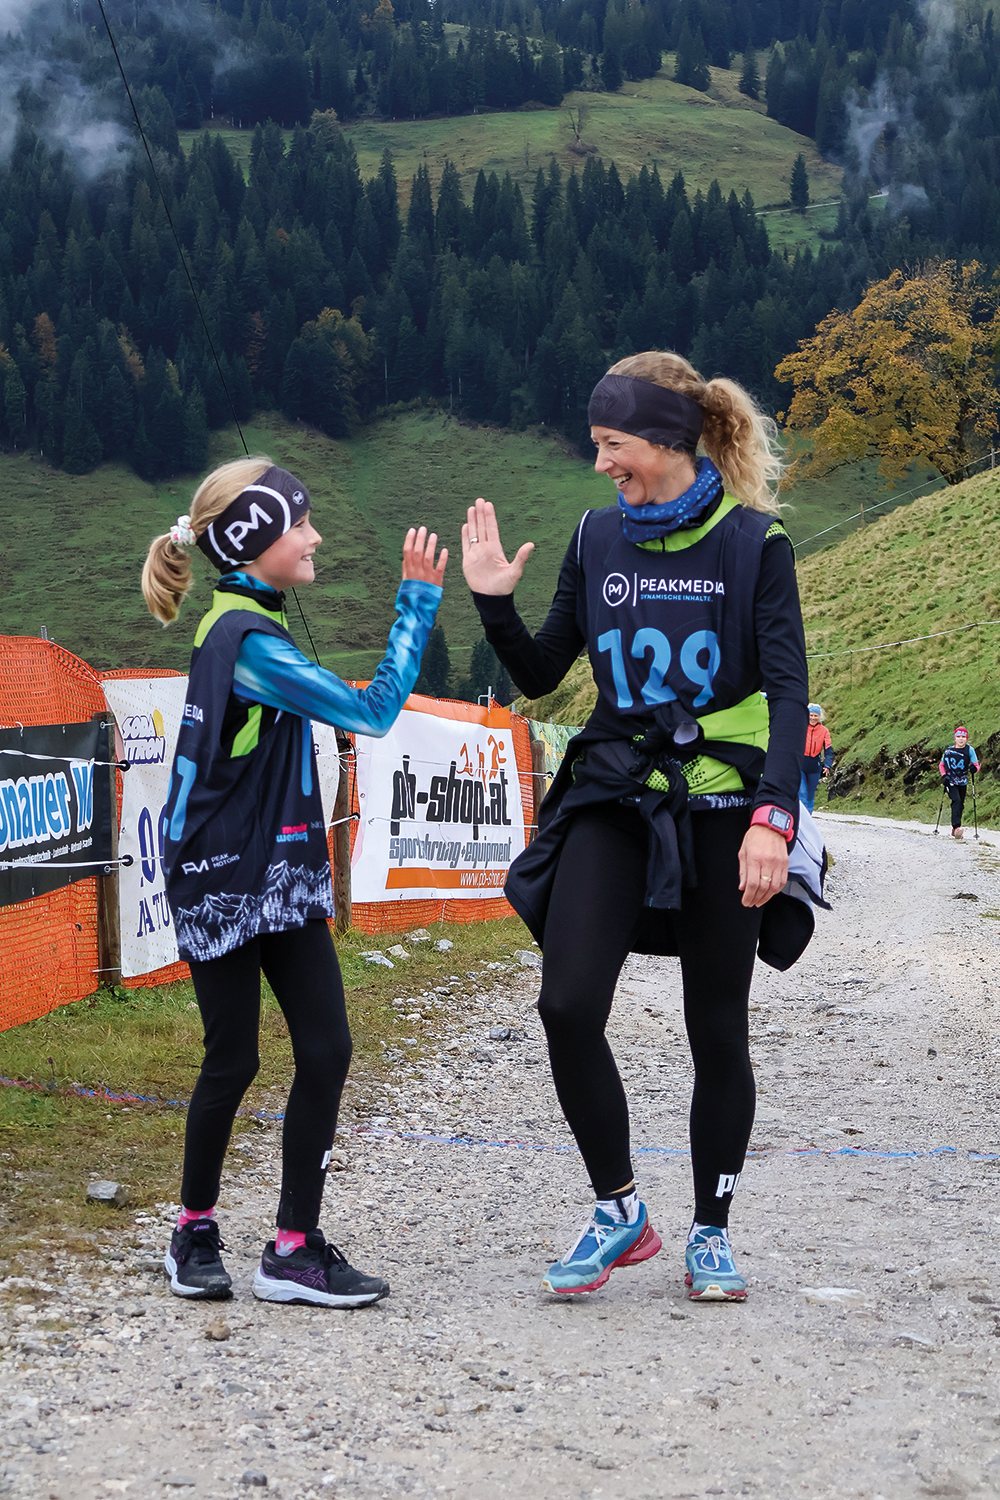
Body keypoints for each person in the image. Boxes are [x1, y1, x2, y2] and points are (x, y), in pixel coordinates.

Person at [462, 351, 810, 1303]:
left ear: (664, 438)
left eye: (612, 443)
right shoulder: (595, 535)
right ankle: (620, 1210)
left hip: (724, 808)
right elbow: (543, 672)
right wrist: (494, 602)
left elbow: (789, 693)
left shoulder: (755, 544)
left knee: (717, 1028)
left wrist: (773, 818)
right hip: (615, 795)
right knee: (567, 1004)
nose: (601, 463)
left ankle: (712, 1230)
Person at [141, 456, 446, 1305]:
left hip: (277, 868)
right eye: (300, 525)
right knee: (232, 1058)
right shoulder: (246, 641)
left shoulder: (248, 621)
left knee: (326, 1047)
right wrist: (417, 603)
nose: (316, 537)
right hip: (222, 876)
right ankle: (193, 1229)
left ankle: (293, 1247)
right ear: (251, 542)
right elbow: (374, 713)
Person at [939, 726, 979, 840]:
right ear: (955, 738)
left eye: (963, 737)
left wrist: (974, 769)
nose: (961, 739)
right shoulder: (948, 751)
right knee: (956, 800)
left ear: (966, 738)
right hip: (950, 781)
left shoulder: (969, 750)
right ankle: (957, 827)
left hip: (962, 781)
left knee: (960, 804)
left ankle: (955, 830)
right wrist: (944, 776)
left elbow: (976, 765)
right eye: (959, 737)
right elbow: (941, 765)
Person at [800, 703, 833, 812]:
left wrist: (827, 765)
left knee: (810, 795)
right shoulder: (802, 727)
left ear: (819, 717)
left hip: (815, 766)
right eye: (811, 715)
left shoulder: (824, 731)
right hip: (801, 765)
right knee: (802, 793)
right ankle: (801, 818)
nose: (813, 718)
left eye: (815, 716)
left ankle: (808, 817)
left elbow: (828, 750)